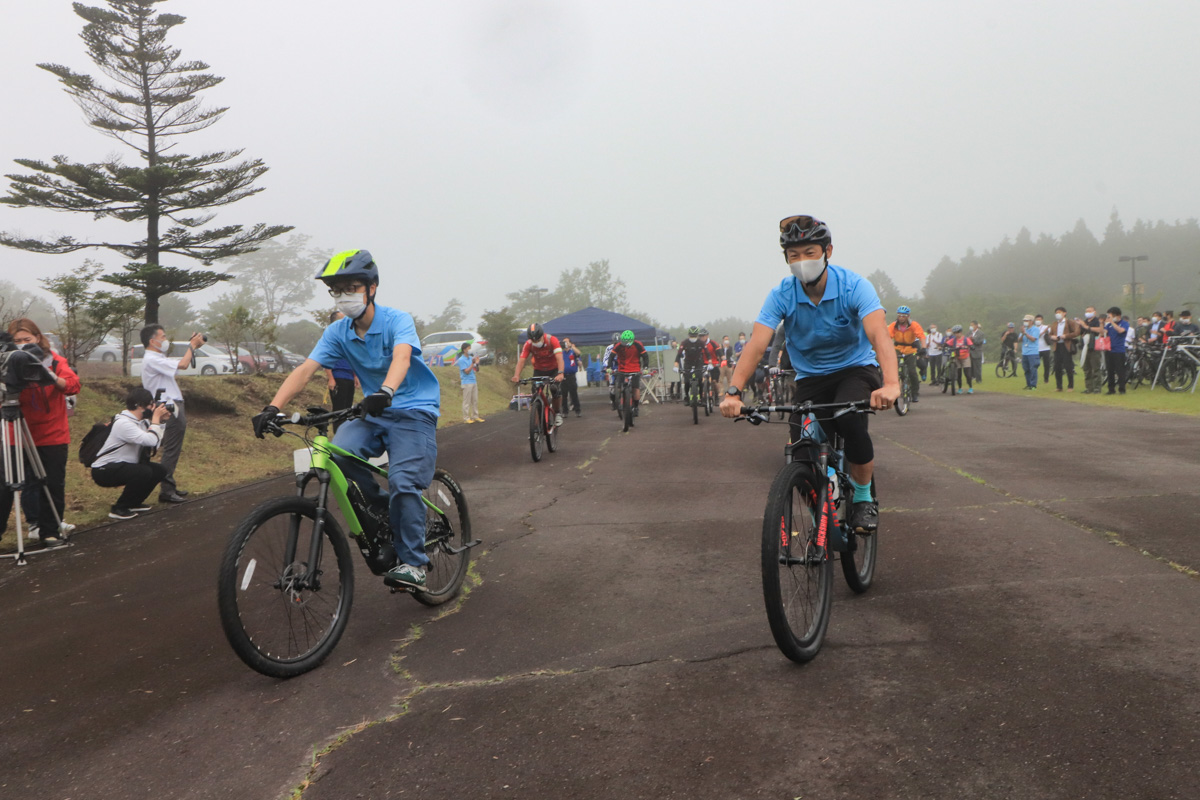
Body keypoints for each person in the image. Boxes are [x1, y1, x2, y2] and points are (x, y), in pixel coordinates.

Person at [253, 249, 441, 591]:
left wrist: (385, 389)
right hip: (372, 412)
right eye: (338, 290)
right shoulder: (338, 332)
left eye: (353, 287)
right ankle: (388, 511)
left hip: (414, 409)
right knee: (338, 454)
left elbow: (401, 357)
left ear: (372, 288)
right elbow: (305, 369)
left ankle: (414, 563)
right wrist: (272, 406)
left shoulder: (398, 320)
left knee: (403, 481)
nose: (345, 296)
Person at [720, 214, 899, 533]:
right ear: (787, 260)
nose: (802, 261)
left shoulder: (854, 285)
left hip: (855, 370)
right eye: (794, 256)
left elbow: (878, 335)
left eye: (810, 253)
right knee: (799, 453)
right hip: (811, 380)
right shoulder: (782, 294)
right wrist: (734, 392)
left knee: (846, 415)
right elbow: (758, 344)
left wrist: (891, 384)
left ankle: (861, 498)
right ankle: (823, 515)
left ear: (827, 251)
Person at [4, 320, 80, 545]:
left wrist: (48, 375)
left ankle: (49, 531)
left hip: (51, 433)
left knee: (53, 483)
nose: (22, 345)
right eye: (17, 341)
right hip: (15, 432)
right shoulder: (6, 362)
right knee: (7, 484)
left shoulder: (54, 360)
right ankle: (28, 525)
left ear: (38, 338)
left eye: (27, 340)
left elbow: (72, 385)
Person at [139, 323, 206, 504]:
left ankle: (169, 486)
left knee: (170, 448)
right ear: (152, 341)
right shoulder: (152, 358)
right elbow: (184, 364)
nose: (165, 340)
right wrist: (191, 346)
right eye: (162, 337)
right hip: (168, 407)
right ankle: (166, 490)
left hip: (168, 405)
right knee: (171, 449)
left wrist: (193, 347)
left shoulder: (156, 357)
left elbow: (179, 364)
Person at [90, 387, 172, 520]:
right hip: (104, 470)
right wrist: (156, 419)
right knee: (143, 472)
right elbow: (149, 440)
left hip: (122, 466)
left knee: (160, 470)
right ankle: (119, 508)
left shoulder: (140, 422)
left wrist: (161, 422)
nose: (153, 407)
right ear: (140, 406)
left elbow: (156, 442)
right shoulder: (123, 423)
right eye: (151, 404)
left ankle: (134, 503)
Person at [511, 323, 565, 427]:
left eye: (537, 340)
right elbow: (522, 360)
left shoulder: (552, 340)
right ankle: (537, 424)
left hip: (553, 370)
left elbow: (559, 358)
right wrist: (516, 375)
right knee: (535, 395)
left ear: (542, 335)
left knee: (555, 389)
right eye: (533, 340)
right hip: (539, 370)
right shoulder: (528, 344)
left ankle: (557, 413)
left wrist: (561, 373)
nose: (535, 342)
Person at [324, 310, 359, 432]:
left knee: (347, 409)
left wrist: (355, 376)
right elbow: (326, 360)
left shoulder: (347, 338)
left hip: (349, 377)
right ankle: (338, 435)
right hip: (338, 377)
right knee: (339, 410)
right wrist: (331, 378)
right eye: (342, 319)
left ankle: (345, 436)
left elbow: (352, 358)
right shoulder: (330, 338)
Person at [886, 306, 926, 402]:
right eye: (899, 315)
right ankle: (892, 388)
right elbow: (887, 336)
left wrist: (924, 348)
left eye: (903, 316)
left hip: (910, 349)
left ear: (908, 316)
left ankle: (915, 392)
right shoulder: (893, 325)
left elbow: (921, 336)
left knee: (912, 371)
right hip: (898, 348)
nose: (901, 318)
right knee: (892, 368)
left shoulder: (914, 325)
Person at [608, 330, 648, 417]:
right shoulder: (618, 345)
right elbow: (611, 356)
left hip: (635, 369)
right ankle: (618, 402)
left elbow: (645, 356)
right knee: (618, 387)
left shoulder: (638, 344)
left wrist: (645, 368)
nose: (625, 344)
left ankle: (636, 407)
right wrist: (609, 367)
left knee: (635, 388)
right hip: (622, 369)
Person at [1047, 306, 1080, 391]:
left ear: (1064, 313)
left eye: (1059, 312)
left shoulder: (1069, 322)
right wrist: (1052, 337)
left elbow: (1077, 332)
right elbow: (1049, 334)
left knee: (1068, 366)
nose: (1058, 314)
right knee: (1057, 367)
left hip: (1066, 346)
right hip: (1057, 346)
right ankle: (1059, 386)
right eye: (1056, 313)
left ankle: (1070, 386)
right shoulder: (1054, 324)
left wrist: (1066, 336)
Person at [1077, 306, 1105, 394]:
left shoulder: (1097, 321)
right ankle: (1089, 387)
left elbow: (1100, 330)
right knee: (1087, 368)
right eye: (1086, 311)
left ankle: (1097, 388)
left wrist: (1086, 327)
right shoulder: (1085, 321)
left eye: (1090, 311)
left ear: (1094, 312)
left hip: (1094, 346)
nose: (1088, 313)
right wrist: (1080, 325)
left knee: (1095, 368)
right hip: (1085, 346)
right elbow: (1081, 332)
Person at [1103, 307, 1130, 395]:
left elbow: (1121, 331)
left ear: (1117, 315)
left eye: (1110, 316)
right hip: (1109, 350)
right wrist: (1101, 324)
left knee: (1120, 371)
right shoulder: (1108, 325)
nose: (1109, 318)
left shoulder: (1124, 323)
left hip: (1119, 350)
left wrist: (1112, 322)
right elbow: (1103, 332)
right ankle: (1111, 389)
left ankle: (1122, 389)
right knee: (1110, 370)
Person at [456, 341, 483, 423]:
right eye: (468, 348)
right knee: (466, 401)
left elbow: (476, 370)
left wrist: (477, 364)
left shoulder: (471, 358)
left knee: (475, 400)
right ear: (464, 350)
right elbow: (466, 371)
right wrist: (472, 363)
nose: (470, 350)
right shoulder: (461, 360)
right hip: (466, 382)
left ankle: (475, 416)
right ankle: (466, 418)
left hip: (473, 380)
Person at [942, 325, 975, 393]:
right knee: (958, 374)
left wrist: (971, 347)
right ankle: (960, 388)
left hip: (965, 357)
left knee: (967, 374)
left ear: (961, 332)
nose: (956, 334)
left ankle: (970, 388)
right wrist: (943, 346)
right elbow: (946, 344)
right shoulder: (953, 340)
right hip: (957, 357)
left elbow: (971, 345)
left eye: (958, 333)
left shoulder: (966, 339)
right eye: (955, 333)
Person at [561, 336, 584, 417]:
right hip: (563, 376)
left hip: (571, 375)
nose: (565, 344)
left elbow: (578, 353)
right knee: (563, 395)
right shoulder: (561, 353)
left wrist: (572, 346)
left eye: (567, 342)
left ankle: (578, 410)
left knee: (574, 394)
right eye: (564, 342)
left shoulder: (573, 352)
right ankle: (565, 411)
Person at [1019, 314, 1041, 389]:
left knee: (1033, 369)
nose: (1025, 322)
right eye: (1024, 321)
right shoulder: (1024, 329)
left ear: (1031, 321)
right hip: (1025, 352)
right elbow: (1019, 340)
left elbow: (1033, 339)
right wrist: (1022, 333)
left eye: (1026, 320)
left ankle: (1033, 385)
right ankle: (1028, 384)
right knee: (1026, 369)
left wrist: (1025, 333)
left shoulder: (1035, 329)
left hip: (1033, 352)